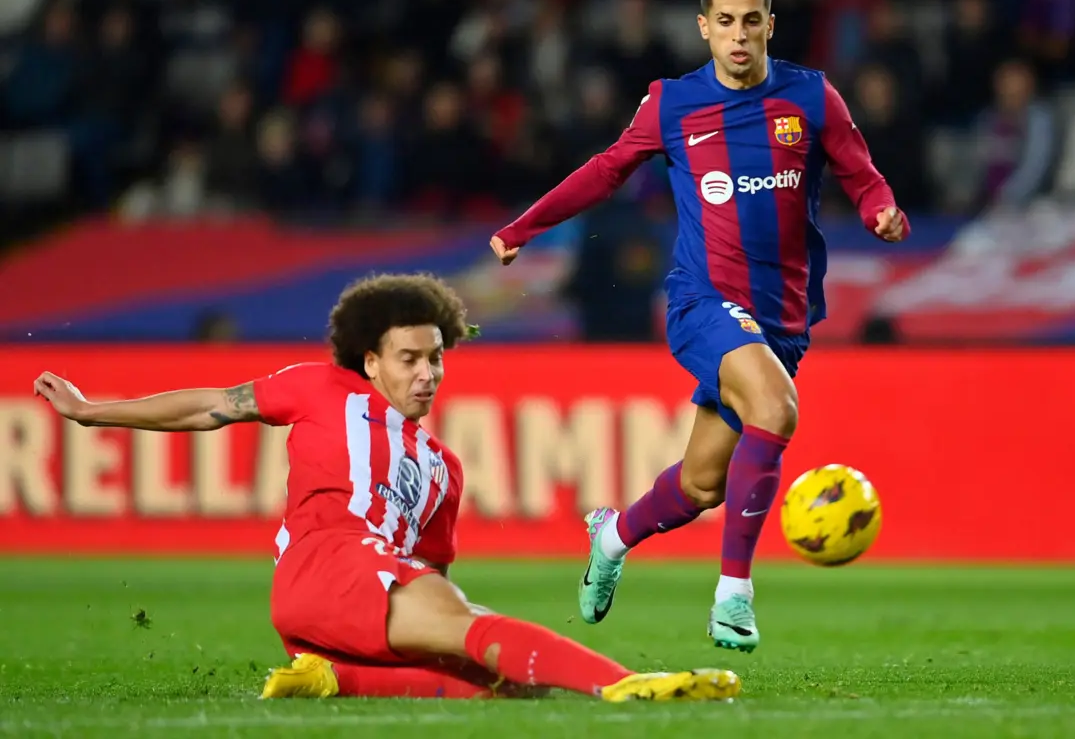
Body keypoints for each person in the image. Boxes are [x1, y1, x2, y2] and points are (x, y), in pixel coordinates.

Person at [33, 273, 741, 703]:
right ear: (370, 361)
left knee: (499, 679)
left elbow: (429, 571)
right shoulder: (318, 387)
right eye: (410, 358)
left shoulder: (443, 469)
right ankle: (622, 682)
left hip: (354, 598)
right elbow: (212, 404)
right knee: (465, 619)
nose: (428, 372)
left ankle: (334, 677)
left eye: (436, 357)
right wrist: (95, 410)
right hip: (327, 562)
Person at [490, 0, 910, 653]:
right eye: (725, 23)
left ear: (770, 24)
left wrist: (881, 210)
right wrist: (523, 227)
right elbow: (606, 169)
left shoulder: (813, 98)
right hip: (701, 301)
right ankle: (733, 597)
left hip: (784, 317)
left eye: (751, 21)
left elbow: (862, 176)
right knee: (775, 411)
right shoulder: (673, 104)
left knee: (701, 482)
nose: (738, 36)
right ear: (703, 28)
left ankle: (614, 534)